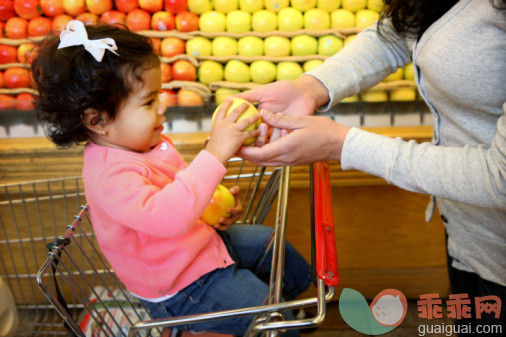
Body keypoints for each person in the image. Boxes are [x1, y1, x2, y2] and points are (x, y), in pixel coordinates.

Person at [237, 0, 506, 335]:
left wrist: (343, 144)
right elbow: (398, 32)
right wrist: (309, 88)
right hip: (469, 236)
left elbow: (501, 177)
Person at [32, 21, 311, 336]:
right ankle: (286, 321)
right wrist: (215, 153)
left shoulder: (143, 143)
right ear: (97, 120)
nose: (163, 108)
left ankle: (296, 303)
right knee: (269, 317)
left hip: (199, 246)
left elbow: (177, 187)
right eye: (149, 102)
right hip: (184, 286)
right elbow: (167, 217)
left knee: (268, 242)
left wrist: (213, 205)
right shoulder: (110, 175)